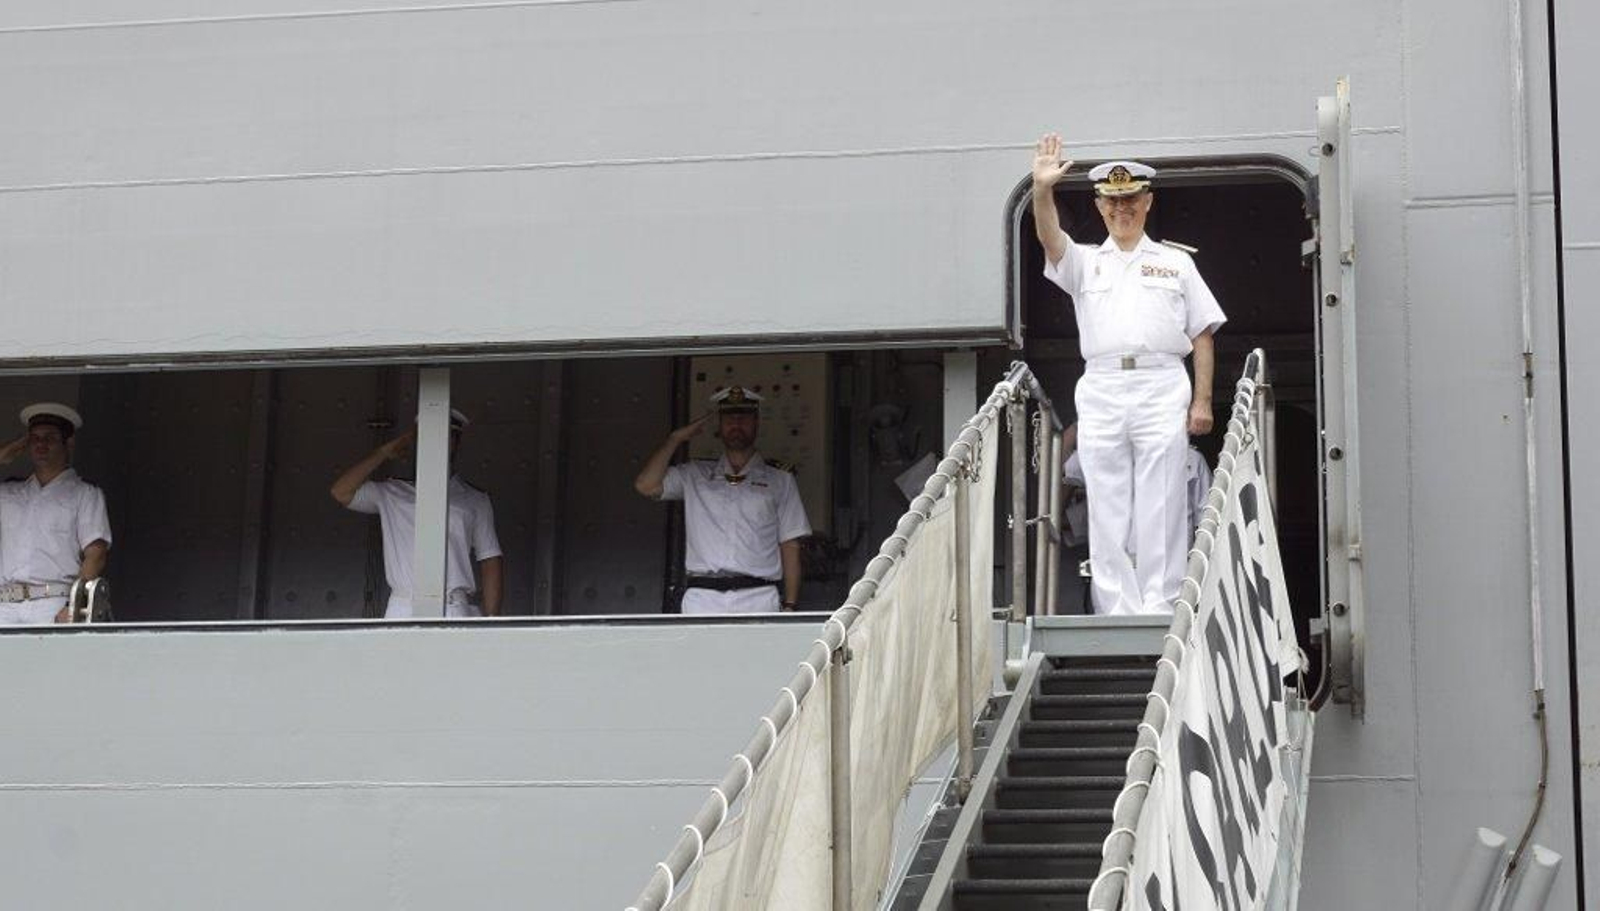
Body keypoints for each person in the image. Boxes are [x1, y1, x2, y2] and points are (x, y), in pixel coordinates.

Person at [1032, 134, 1227, 615]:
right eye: (1112, 200)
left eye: (1131, 199)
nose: (1122, 208)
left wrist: (1202, 402)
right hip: (1102, 384)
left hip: (1162, 382)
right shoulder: (1084, 262)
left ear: (1147, 202)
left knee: (1162, 495)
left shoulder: (1175, 263)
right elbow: (1048, 236)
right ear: (1100, 206)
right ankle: (1115, 605)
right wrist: (1042, 190)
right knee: (1107, 496)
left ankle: (1161, 601)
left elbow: (1202, 335)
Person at [634, 386, 810, 614]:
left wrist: (790, 605)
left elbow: (790, 544)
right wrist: (675, 439)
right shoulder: (695, 474)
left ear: (756, 422)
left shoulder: (780, 480)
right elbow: (646, 485)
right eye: (729, 417)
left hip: (758, 597)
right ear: (719, 424)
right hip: (703, 598)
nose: (736, 424)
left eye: (744, 417)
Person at [329, 409, 503, 618]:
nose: (437, 443)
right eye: (428, 436)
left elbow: (490, 559)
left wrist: (490, 622)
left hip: (454, 608)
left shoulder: (475, 499)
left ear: (456, 443)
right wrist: (384, 452)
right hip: (403, 607)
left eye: (446, 437)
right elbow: (341, 492)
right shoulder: (391, 493)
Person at [0, 403, 112, 624]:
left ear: (68, 443)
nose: (41, 444)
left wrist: (74, 606)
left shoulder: (84, 493)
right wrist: (5, 453)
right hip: (4, 603)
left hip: (53, 603)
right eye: (35, 438)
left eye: (50, 438)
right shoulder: (8, 492)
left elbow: (96, 554)